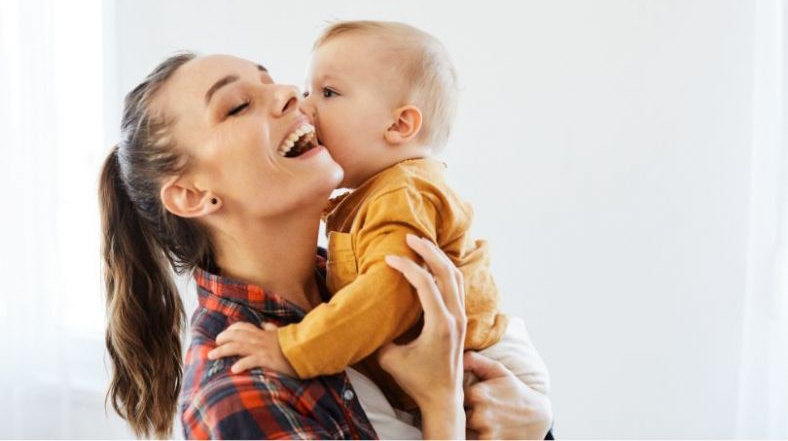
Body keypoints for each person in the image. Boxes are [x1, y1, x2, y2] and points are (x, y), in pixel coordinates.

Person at [99, 52, 553, 439]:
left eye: (271, 80)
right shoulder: (238, 392)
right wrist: (441, 404)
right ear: (194, 195)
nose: (289, 93)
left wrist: (535, 426)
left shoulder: (362, 275)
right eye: (238, 106)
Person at [208, 21, 548, 412]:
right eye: (307, 90)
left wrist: (293, 349)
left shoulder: (404, 194)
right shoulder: (382, 193)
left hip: (484, 365)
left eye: (329, 92)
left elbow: (386, 293)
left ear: (399, 125)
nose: (305, 105)